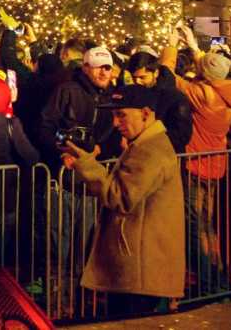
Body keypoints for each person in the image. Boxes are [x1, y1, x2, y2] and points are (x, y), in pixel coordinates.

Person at [61, 85, 184, 318]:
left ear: (146, 113)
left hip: (139, 272)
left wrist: (86, 165)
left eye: (122, 115)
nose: (116, 123)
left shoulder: (150, 150)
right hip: (138, 266)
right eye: (114, 116)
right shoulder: (146, 144)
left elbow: (119, 196)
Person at [163, 28, 231, 296]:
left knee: (197, 226)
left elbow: (168, 79)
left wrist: (172, 46)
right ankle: (219, 276)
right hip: (215, 164)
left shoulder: (202, 96)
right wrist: (195, 47)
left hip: (196, 165)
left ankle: (209, 282)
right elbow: (212, 71)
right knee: (207, 223)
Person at [36, 44, 119, 161]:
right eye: (98, 67)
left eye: (107, 68)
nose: (103, 72)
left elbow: (116, 132)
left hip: (100, 165)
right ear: (85, 68)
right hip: (68, 166)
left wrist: (101, 149)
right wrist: (62, 152)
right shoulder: (67, 90)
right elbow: (46, 126)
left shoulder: (114, 96)